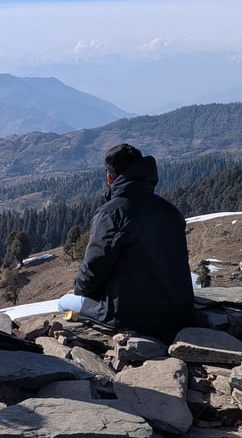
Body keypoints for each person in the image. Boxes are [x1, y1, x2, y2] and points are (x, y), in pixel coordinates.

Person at [58, 143, 194, 342]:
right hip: (180, 310)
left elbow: (95, 266)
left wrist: (79, 290)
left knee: (63, 302)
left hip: (130, 314)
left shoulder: (112, 213)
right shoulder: (170, 211)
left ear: (109, 178)